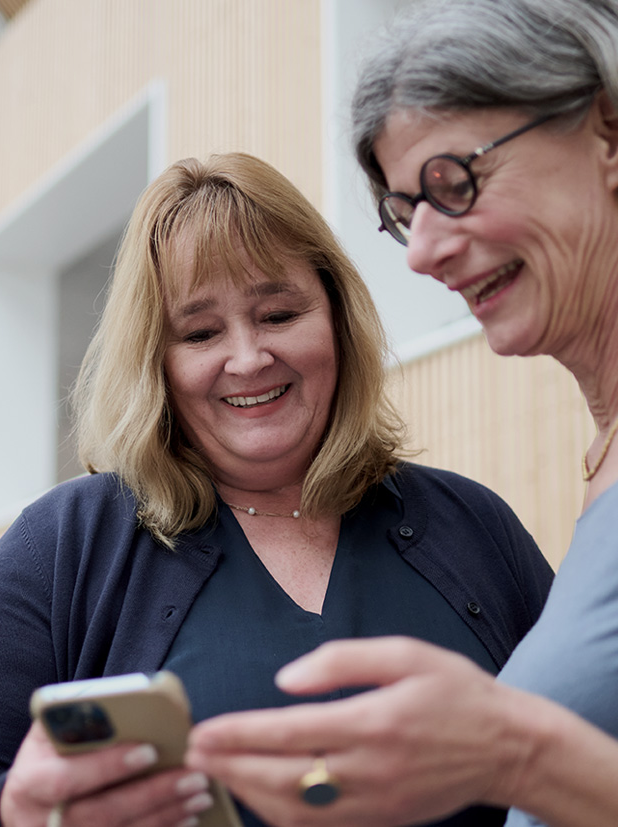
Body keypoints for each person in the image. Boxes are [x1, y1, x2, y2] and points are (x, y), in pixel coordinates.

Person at [0, 151, 553, 827]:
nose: (248, 357)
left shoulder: (473, 526)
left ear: (337, 319)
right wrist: (19, 812)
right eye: (200, 332)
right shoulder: (66, 547)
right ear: (156, 362)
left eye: (279, 314)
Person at [185, 2, 618, 826]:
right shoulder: (601, 459)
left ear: (606, 128)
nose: (421, 251)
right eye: (404, 212)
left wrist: (512, 753)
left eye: (454, 182)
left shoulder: (468, 522)